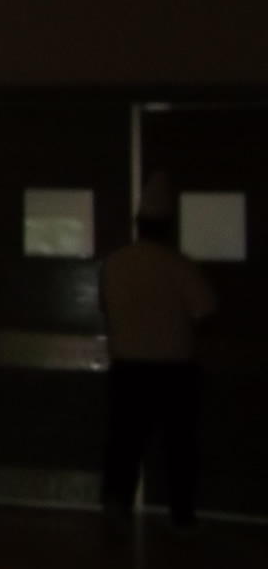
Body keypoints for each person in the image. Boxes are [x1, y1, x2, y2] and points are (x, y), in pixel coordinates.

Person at [98, 171, 217, 530]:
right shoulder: (179, 265)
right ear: (168, 226)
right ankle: (181, 513)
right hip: (174, 368)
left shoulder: (115, 264)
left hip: (128, 366)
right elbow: (205, 310)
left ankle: (116, 505)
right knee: (179, 446)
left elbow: (105, 308)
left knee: (124, 442)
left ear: (139, 224)